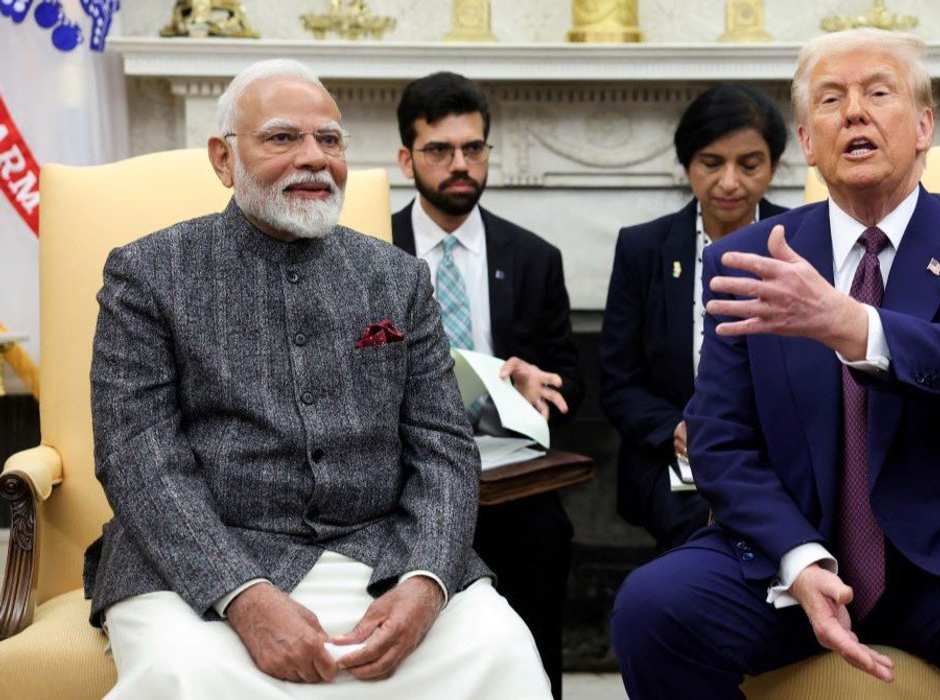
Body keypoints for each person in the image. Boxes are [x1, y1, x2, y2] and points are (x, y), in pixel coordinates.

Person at [611, 29, 940, 700]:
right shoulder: (750, 260)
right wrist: (798, 558)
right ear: (808, 142)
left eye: (877, 93)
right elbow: (720, 440)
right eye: (830, 99)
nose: (853, 113)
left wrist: (851, 325)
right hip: (791, 553)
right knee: (653, 609)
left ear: (924, 126)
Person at [85, 59, 551, 700]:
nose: (314, 158)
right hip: (199, 561)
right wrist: (241, 594)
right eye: (282, 137)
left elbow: (444, 446)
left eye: (329, 140)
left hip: (379, 552)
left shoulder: (397, 278)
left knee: (502, 649)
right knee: (186, 673)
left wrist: (427, 581)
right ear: (223, 159)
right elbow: (137, 456)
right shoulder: (148, 274)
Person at [390, 71, 582, 700]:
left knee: (545, 536)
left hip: (505, 473)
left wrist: (536, 390)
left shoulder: (533, 257)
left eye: (473, 148)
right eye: (439, 150)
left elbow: (571, 383)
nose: (460, 164)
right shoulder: (369, 251)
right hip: (398, 474)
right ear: (406, 159)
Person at [600, 84, 788, 552]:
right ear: (687, 164)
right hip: (674, 456)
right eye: (711, 163)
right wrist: (676, 429)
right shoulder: (644, 248)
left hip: (777, 452)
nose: (729, 182)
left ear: (773, 165)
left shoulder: (801, 243)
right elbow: (618, 381)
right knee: (701, 531)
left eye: (749, 165)